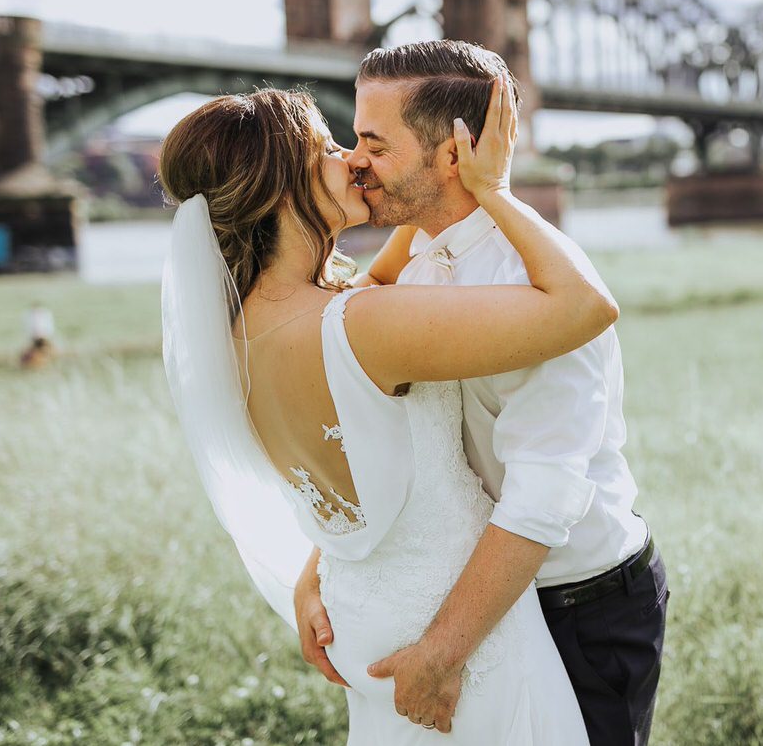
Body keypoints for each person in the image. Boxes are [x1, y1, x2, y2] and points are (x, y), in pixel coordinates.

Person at [159, 77, 603, 743]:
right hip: (452, 640)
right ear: (281, 190)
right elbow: (583, 306)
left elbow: (348, 471)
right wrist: (492, 191)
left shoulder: (237, 339)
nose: (352, 160)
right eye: (326, 150)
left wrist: (428, 195)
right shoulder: (363, 326)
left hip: (359, 621)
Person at [294, 41, 669, 745]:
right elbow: (392, 442)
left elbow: (542, 495)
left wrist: (443, 651)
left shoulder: (535, 284)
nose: (354, 160)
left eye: (375, 143)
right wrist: (321, 570)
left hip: (578, 599)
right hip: (475, 595)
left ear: (453, 153)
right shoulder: (411, 266)